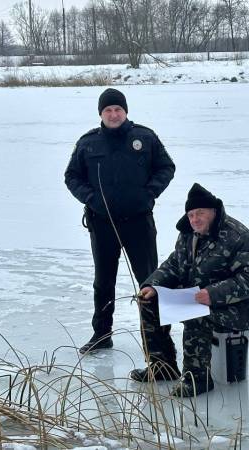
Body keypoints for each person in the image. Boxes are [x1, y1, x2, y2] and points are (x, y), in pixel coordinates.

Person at [64, 88, 175, 354]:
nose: (113, 115)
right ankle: (102, 334)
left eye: (118, 110)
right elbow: (71, 176)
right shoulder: (88, 143)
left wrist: (148, 194)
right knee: (104, 281)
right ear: (101, 114)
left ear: (126, 112)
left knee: (150, 281)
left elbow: (166, 167)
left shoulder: (145, 138)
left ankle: (158, 340)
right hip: (102, 223)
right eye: (108, 110)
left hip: (139, 222)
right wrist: (90, 198)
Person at [130, 183, 249, 397]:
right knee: (148, 301)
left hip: (237, 307)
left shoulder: (239, 237)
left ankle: (198, 379)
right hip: (195, 297)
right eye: (191, 214)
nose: (195, 219)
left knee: (196, 313)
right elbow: (174, 264)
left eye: (200, 213)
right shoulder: (187, 233)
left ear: (214, 211)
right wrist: (153, 285)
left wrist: (213, 294)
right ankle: (162, 367)